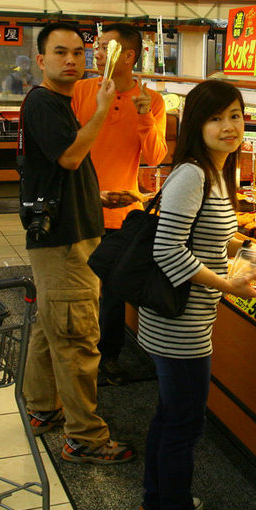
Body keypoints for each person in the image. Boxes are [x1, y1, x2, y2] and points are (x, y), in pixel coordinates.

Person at [138, 80, 256, 510]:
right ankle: (173, 508)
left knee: (170, 416)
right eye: (216, 118)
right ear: (197, 124)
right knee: (184, 426)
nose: (229, 126)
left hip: (186, 319)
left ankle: (155, 503)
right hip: (179, 326)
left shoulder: (216, 173)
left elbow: (209, 235)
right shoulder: (192, 175)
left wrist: (244, 248)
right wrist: (228, 286)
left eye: (235, 115)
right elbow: (167, 249)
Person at [19, 21, 135, 465]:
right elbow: (70, 156)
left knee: (52, 326)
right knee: (77, 337)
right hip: (65, 242)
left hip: (63, 233)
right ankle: (84, 437)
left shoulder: (56, 103)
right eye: (60, 52)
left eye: (78, 53)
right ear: (40, 59)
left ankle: (42, 408)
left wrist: (95, 195)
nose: (72, 60)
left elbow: (57, 169)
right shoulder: (45, 102)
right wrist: (102, 110)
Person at [73, 22, 168, 386]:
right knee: (79, 288)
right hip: (80, 208)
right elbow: (68, 149)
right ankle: (75, 355)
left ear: (129, 56)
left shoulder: (151, 100)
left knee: (113, 293)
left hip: (122, 212)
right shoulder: (82, 90)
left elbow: (156, 157)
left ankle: (108, 358)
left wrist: (143, 115)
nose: (96, 54)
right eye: (96, 47)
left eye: (105, 47)